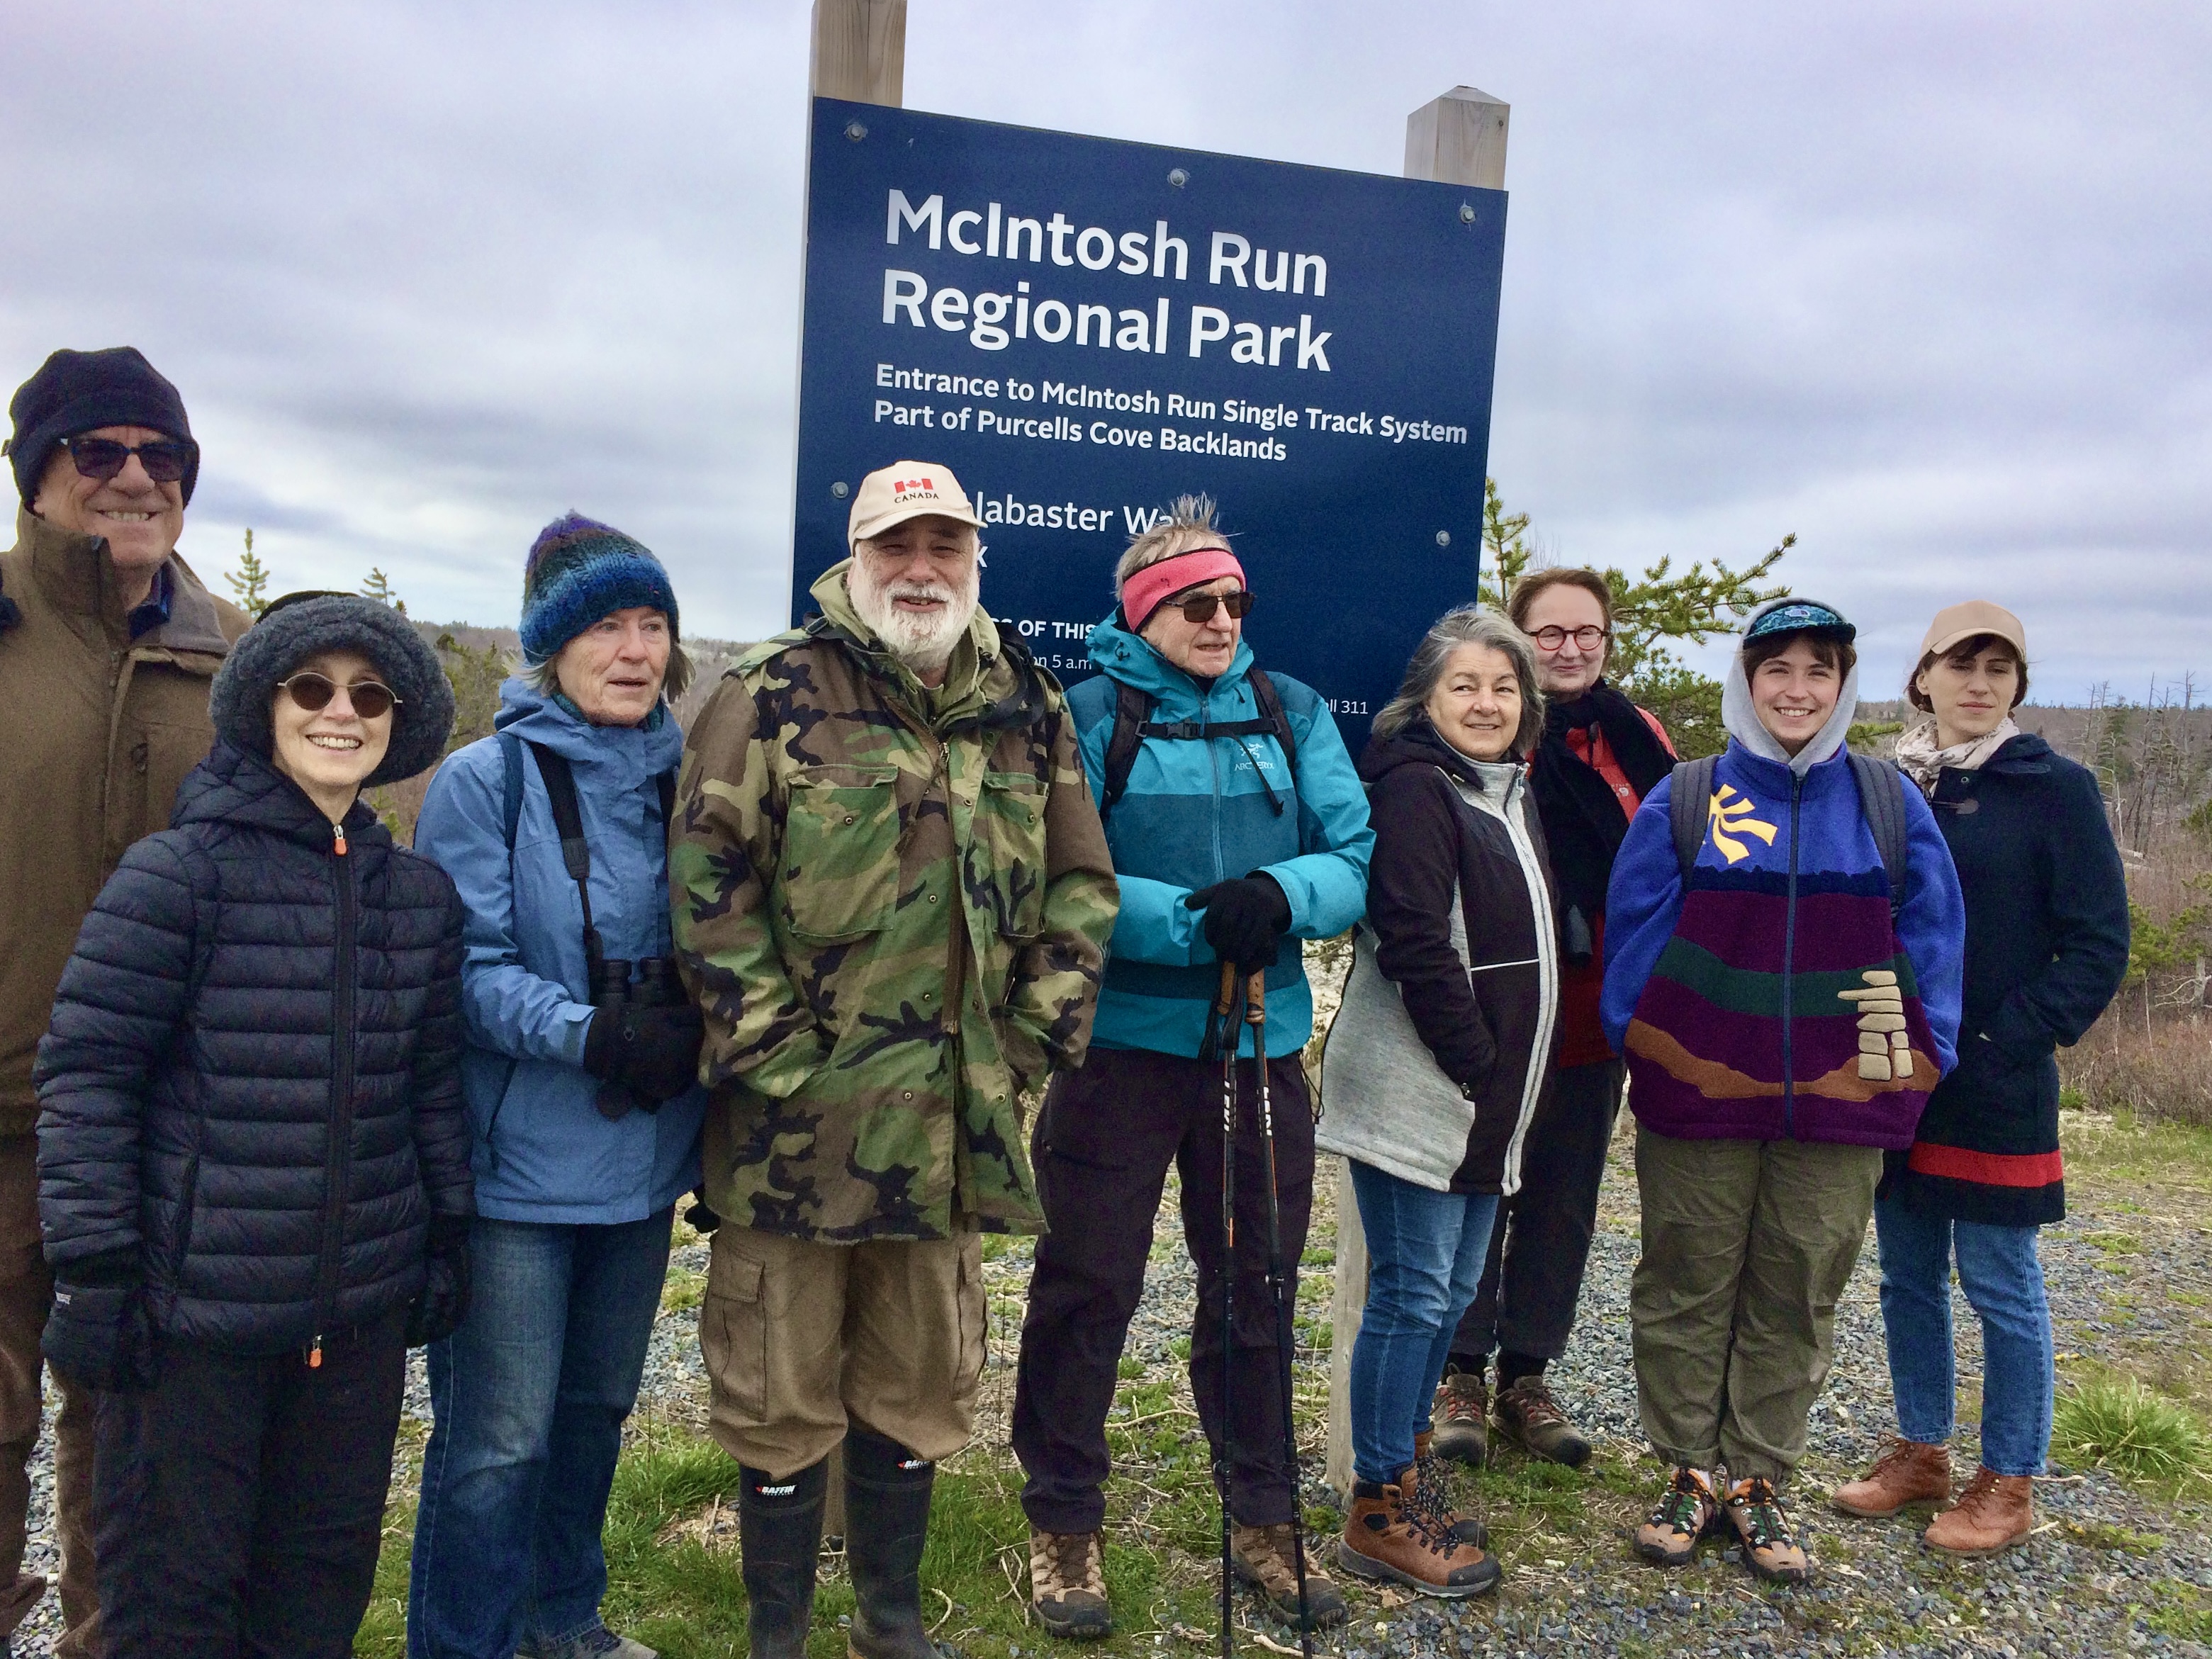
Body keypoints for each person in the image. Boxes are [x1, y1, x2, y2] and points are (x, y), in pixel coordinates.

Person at [671, 461, 1118, 1659]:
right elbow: (709, 884)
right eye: (897, 546)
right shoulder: (767, 693)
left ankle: (886, 1619)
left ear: (974, 559)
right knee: (775, 1388)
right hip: (792, 1133)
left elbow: (1080, 885)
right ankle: (778, 1630)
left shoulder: (1029, 700)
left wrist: (1028, 1045)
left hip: (952, 1127)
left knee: (920, 1379)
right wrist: (771, 1051)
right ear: (855, 557)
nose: (923, 570)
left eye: (945, 547)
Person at [33, 592, 468, 1658]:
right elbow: (89, 1073)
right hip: (194, 1331)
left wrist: (446, 1234)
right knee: (174, 1607)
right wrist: (94, 1266)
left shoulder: (415, 898)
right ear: (262, 707)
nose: (341, 712)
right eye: (311, 687)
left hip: (353, 1325)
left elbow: (431, 1089)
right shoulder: (177, 878)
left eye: (369, 695)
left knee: (314, 1599)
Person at [1011, 495, 1373, 1638]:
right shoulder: (1085, 714)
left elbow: (1352, 850)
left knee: (1257, 1289)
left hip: (1258, 1048)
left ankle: (1264, 1516)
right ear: (1144, 610)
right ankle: (1063, 1521)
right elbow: (1058, 868)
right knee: (1086, 1286)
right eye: (1195, 601)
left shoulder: (1291, 708)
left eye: (1233, 601)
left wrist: (1279, 896)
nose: (1221, 619)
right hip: (1118, 1048)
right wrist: (1195, 921)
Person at [1602, 597, 1965, 1583]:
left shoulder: (1889, 803)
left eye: (1819, 670)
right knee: (1686, 1276)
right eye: (1777, 670)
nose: (1797, 689)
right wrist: (1649, 1046)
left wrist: (1917, 1063)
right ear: (1746, 681)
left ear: (1844, 685)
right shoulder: (1688, 798)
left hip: (1845, 1102)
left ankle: (1758, 1477)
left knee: (1800, 1287)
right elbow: (1630, 942)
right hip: (1700, 1092)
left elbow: (1933, 946)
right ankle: (1687, 1470)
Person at [406, 516, 709, 1659]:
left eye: (650, 624)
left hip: (646, 1165)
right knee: (497, 1439)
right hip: (517, 1173)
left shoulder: (692, 779)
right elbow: (463, 972)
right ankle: (462, 1641)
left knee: (594, 1415)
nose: (632, 650)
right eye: (602, 626)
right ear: (551, 648)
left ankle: (562, 1618)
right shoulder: (486, 783)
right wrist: (593, 1035)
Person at [0, 345, 250, 1658]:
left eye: (163, 457)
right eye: (99, 451)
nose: (136, 477)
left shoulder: (244, 662)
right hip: (1, 1106)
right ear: (37, 474)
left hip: (168, 1119)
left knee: (132, 1427)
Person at [1831, 603, 2127, 1555]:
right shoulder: (1885, 787)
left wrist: (2008, 1038)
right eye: (1961, 663)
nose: (1979, 682)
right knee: (1905, 1277)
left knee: (2000, 1280)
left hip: (1995, 1078)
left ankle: (2010, 1478)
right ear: (1922, 677)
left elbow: (2096, 944)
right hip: (1895, 1071)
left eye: (1999, 668)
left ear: (2016, 687)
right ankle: (1922, 1451)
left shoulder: (2055, 789)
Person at [1316, 607, 1552, 1598]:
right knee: (1413, 1295)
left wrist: (1494, 1079)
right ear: (1426, 699)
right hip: (1426, 1091)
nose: (1487, 702)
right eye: (1465, 686)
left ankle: (1407, 1467)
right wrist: (1474, 1058)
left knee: (1450, 1295)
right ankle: (1377, 1505)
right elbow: (1411, 933)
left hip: (1479, 1103)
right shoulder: (1417, 789)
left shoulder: (1503, 792)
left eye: (1504, 687)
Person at [1431, 570, 1674, 1471]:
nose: (1569, 648)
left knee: (1562, 1198)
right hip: (1494, 1012)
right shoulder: (1490, 731)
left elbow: (1674, 854)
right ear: (1518, 637)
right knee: (1476, 1188)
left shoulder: (1636, 739)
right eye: (1549, 632)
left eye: (1588, 633)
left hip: (1592, 1011)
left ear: (1607, 640)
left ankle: (1526, 1373)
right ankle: (1459, 1369)